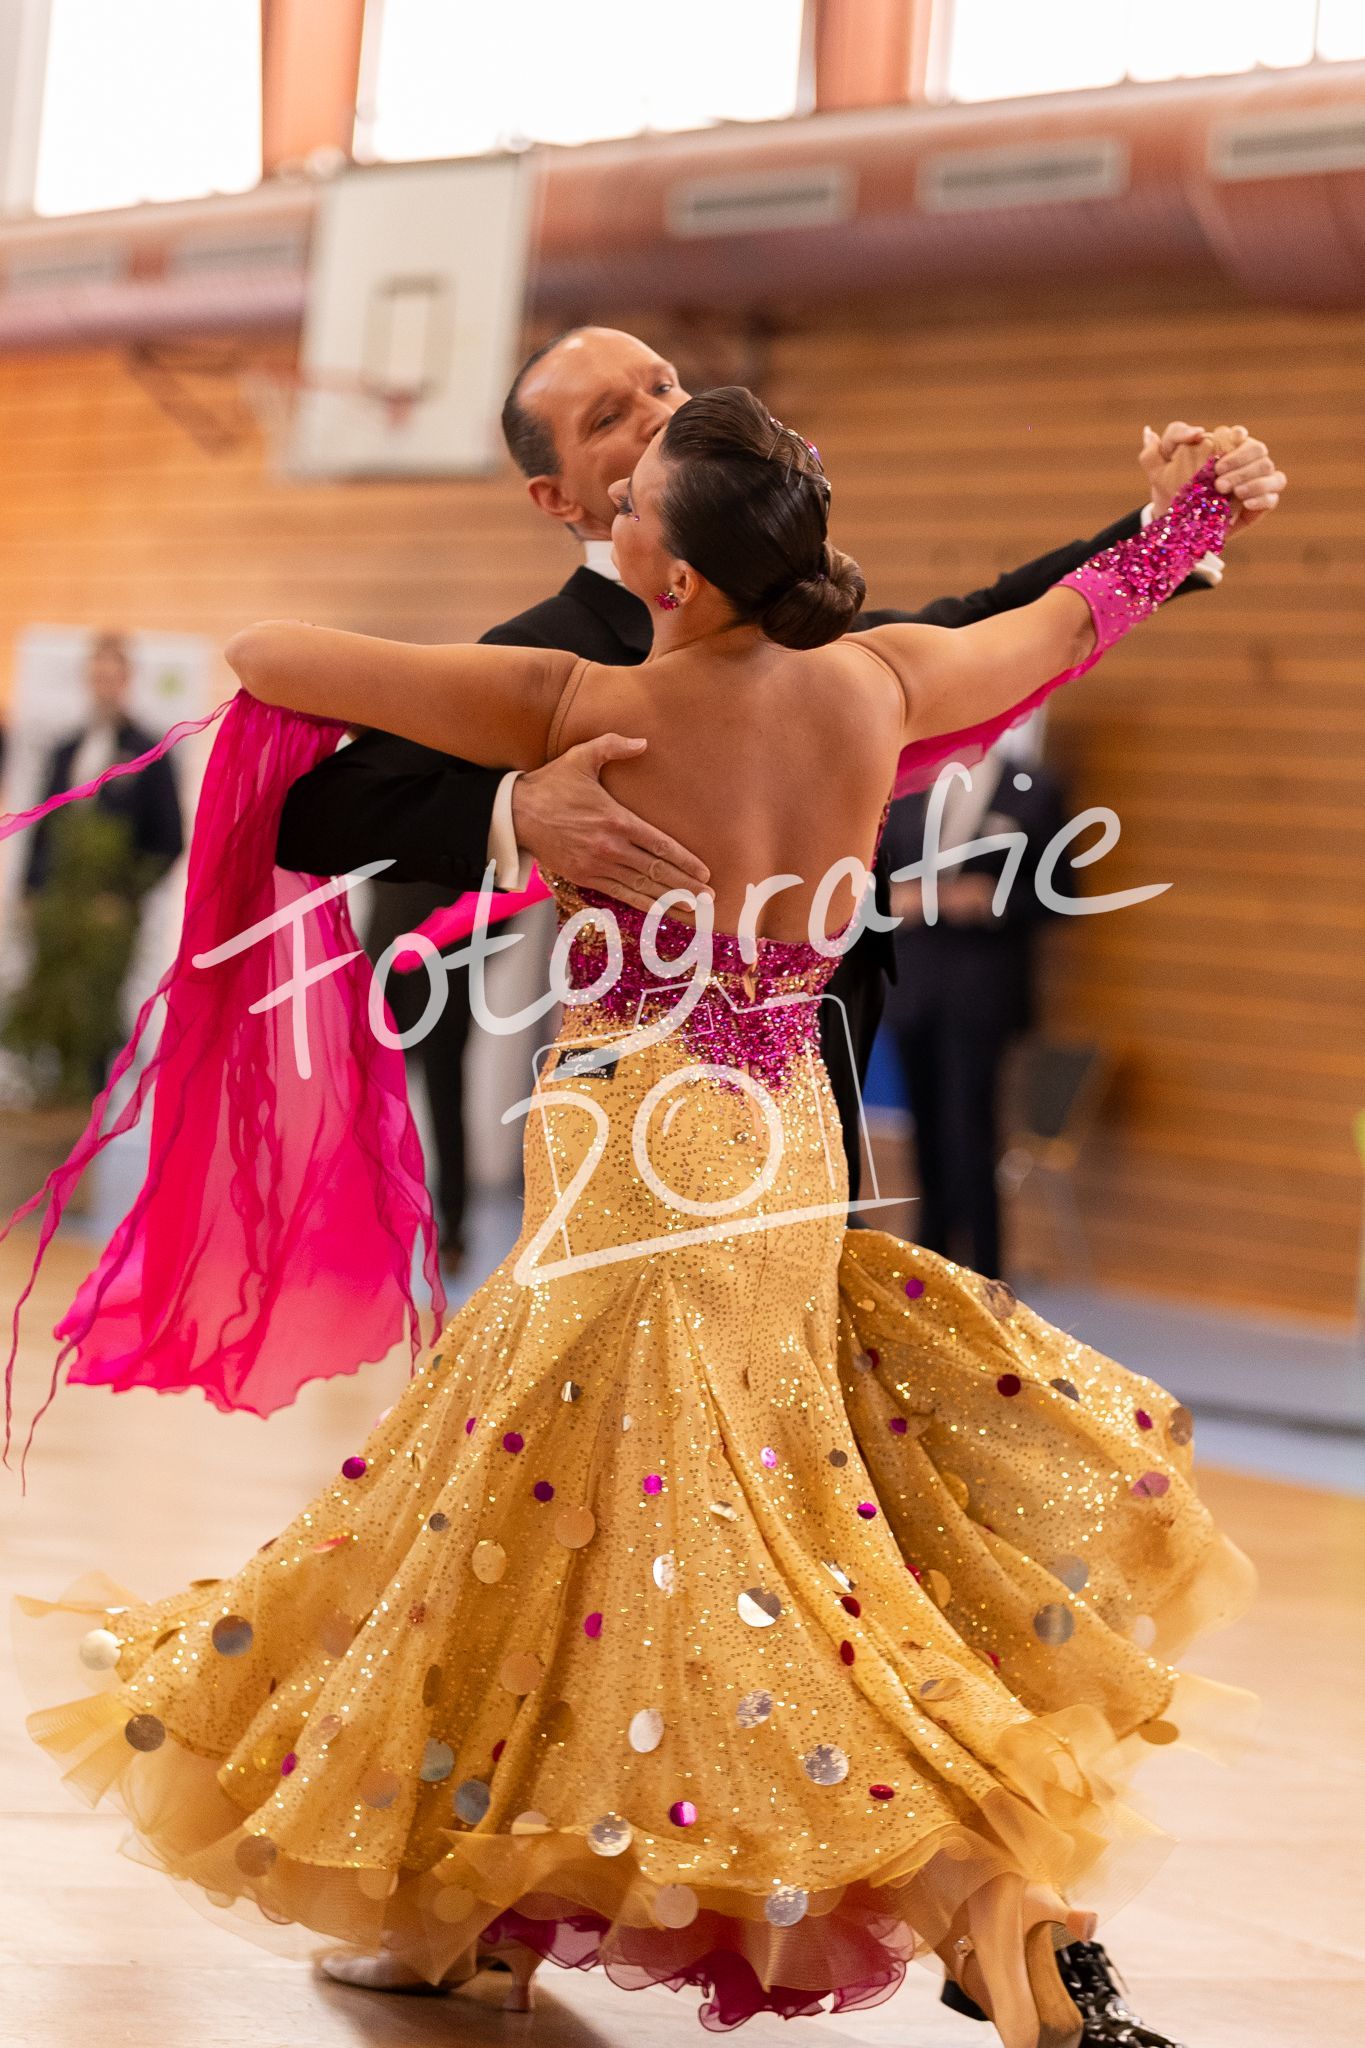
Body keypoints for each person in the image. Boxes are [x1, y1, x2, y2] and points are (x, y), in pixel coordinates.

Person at [15, 395, 1262, 2048]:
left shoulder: (579, 699)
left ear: (672, 578)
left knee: (581, 1522)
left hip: (634, 1148)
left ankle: (948, 1881)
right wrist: (1189, 518)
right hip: (785, 1144)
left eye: (632, 517)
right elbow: (1068, 619)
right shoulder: (884, 683)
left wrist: (518, 779)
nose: (614, 526)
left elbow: (268, 655)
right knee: (655, 1520)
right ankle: (541, 1908)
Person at [276, 328, 1287, 1206]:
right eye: (609, 417)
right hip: (634, 1118)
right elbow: (321, 810)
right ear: (557, 496)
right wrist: (519, 809)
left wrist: (1173, 526)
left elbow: (994, 621)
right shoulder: (541, 657)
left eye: (664, 384)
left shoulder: (814, 636)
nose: (659, 413)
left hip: (816, 1080)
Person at [884, 740, 1070, 1278]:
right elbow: (870, 876)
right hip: (912, 987)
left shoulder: (1032, 789)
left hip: (981, 992)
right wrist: (890, 900)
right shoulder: (907, 788)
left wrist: (991, 900)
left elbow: (1063, 891)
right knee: (924, 1130)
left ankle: (987, 1270)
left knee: (971, 1128)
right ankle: (927, 1265)